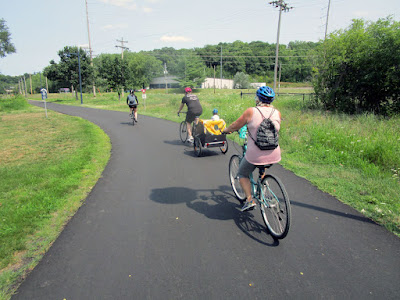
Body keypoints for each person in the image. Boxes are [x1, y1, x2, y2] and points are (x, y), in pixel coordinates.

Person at [223, 86, 281, 212]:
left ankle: (249, 199)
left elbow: (235, 125)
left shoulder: (251, 111)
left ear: (258, 98)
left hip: (255, 154)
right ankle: (263, 189)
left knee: (242, 173)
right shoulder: (277, 112)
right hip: (274, 153)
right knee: (263, 166)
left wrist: (226, 130)